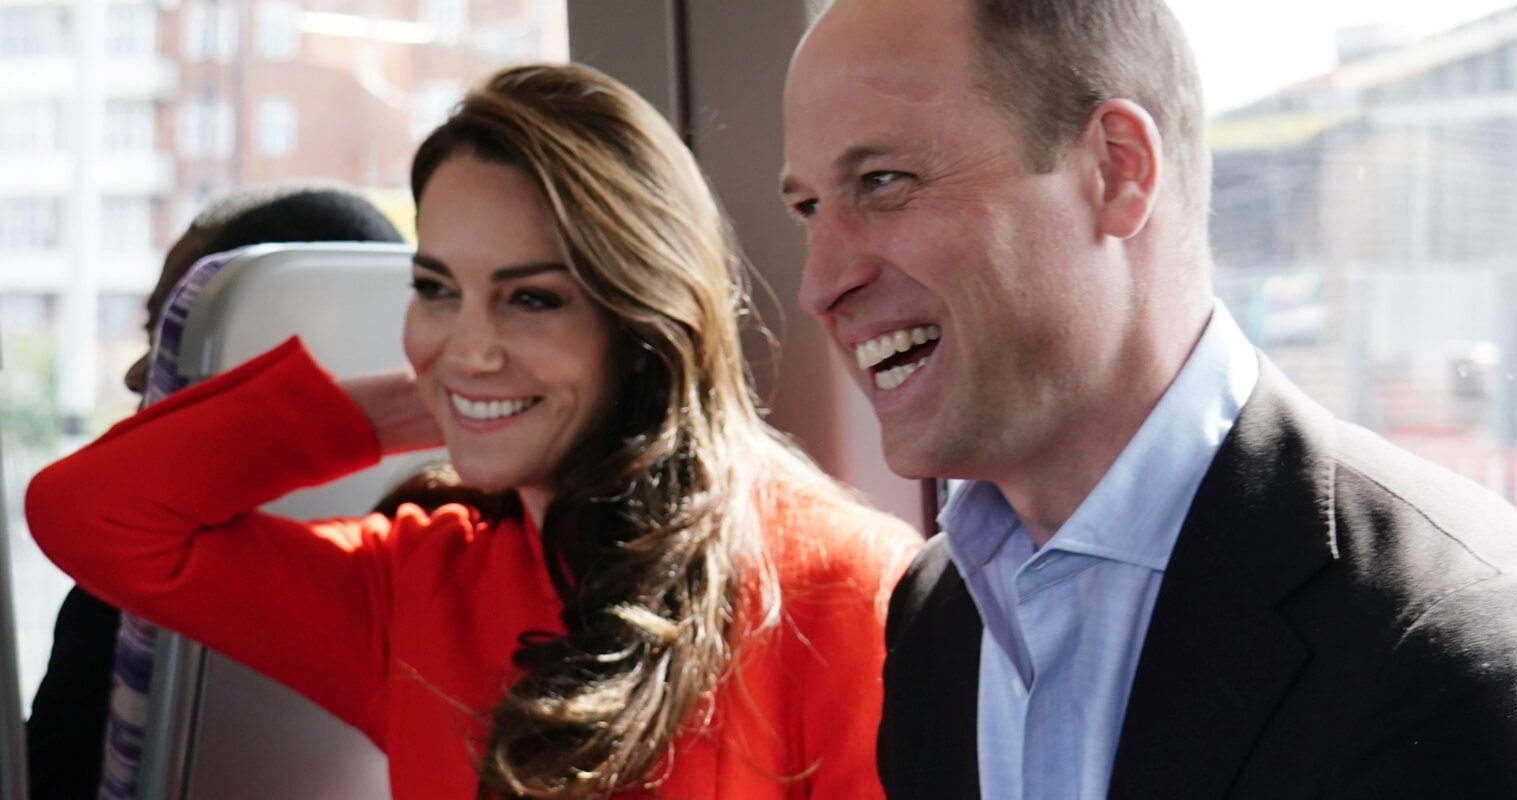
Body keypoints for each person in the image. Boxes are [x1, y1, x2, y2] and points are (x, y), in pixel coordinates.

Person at [28, 62, 919, 799]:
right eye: (437, 290)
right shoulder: (419, 582)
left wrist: (489, 393)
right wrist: (439, 399)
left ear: (641, 326)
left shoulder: (841, 587)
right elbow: (91, 514)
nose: (470, 344)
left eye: (531, 300)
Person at [779, 0, 1517, 798]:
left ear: (1118, 168)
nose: (820, 283)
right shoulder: (937, 618)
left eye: (883, 181)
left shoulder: (1457, 643)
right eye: (810, 206)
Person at [25, 184, 405, 800]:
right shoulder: (430, 548)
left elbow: (53, 777)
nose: (137, 373)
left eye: (173, 335)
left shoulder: (131, 568)